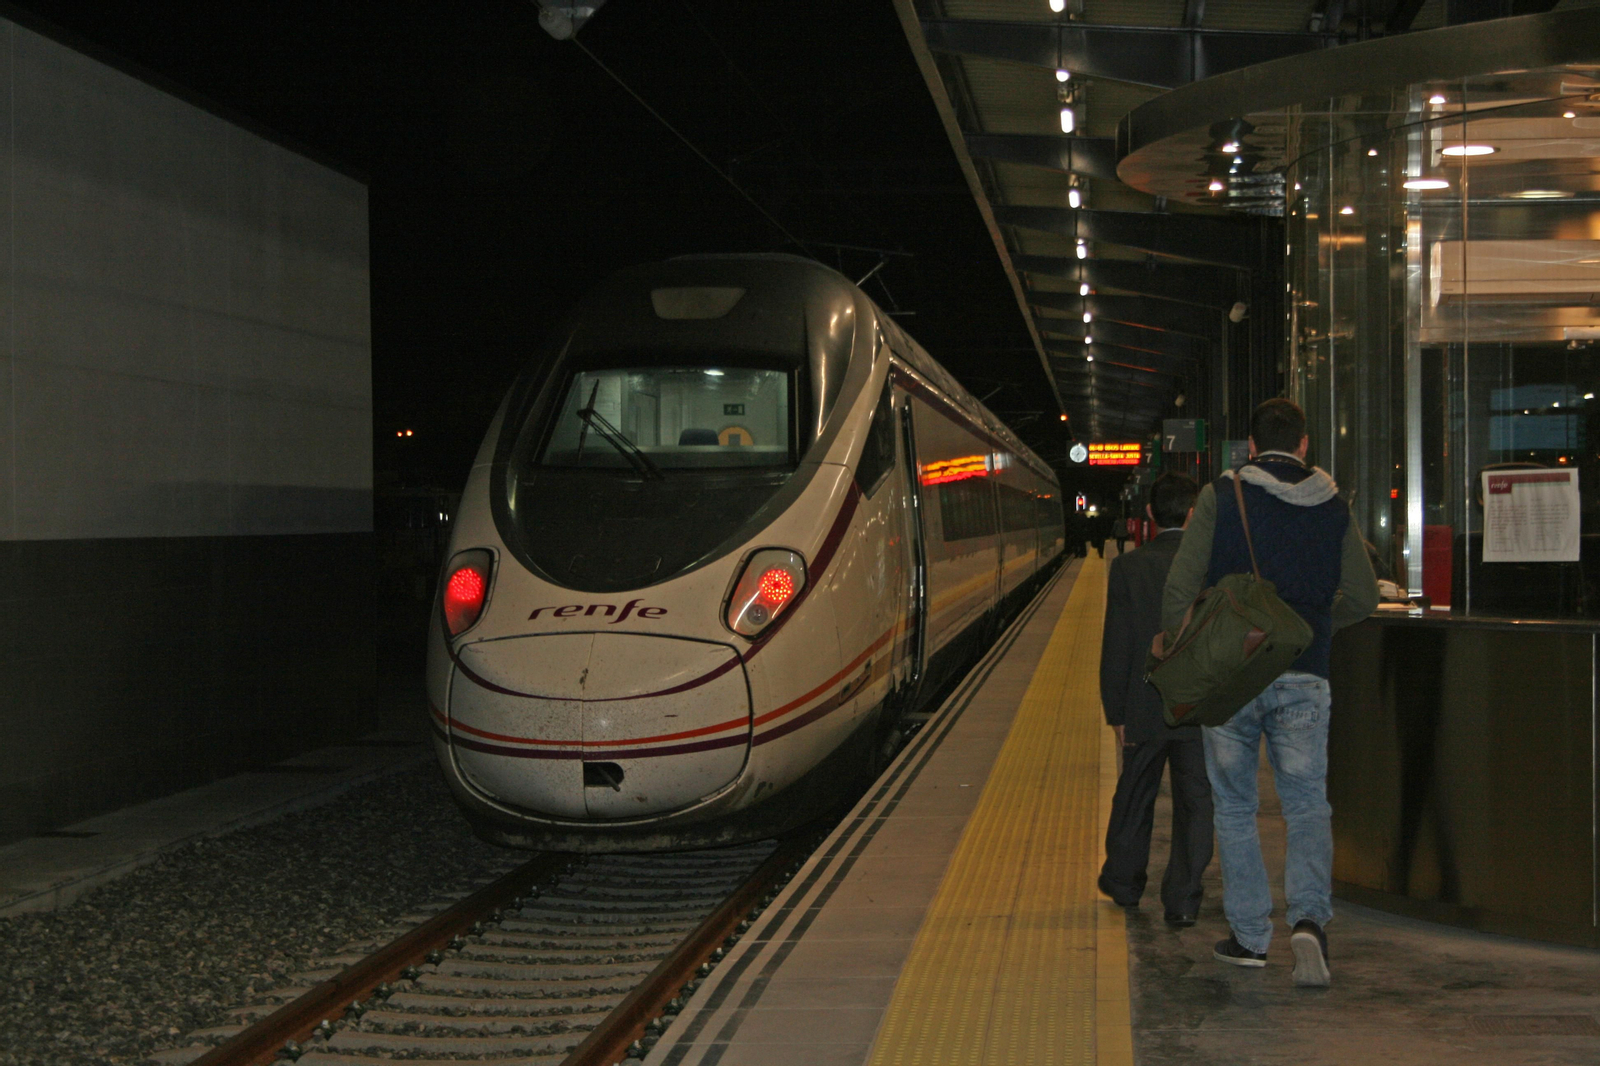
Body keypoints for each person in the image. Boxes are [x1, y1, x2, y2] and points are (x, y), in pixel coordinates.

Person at [1161, 398, 1378, 988]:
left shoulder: (1222, 496)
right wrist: (1303, 629)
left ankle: (1251, 938)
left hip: (1231, 678)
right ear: (1306, 445)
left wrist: (1187, 652)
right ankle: (1308, 922)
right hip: (1306, 673)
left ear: (1251, 447)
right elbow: (1360, 596)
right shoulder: (1334, 504)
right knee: (1307, 803)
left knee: (1235, 807)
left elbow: (1179, 591)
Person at [1097, 473, 1212, 926]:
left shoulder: (1129, 567)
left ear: (1148, 515)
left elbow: (1118, 644)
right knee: (1196, 802)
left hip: (1144, 702)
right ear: (1192, 514)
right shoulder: (1210, 566)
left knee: (1135, 793)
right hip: (1200, 706)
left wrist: (1116, 710)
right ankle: (1183, 899)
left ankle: (1124, 883)